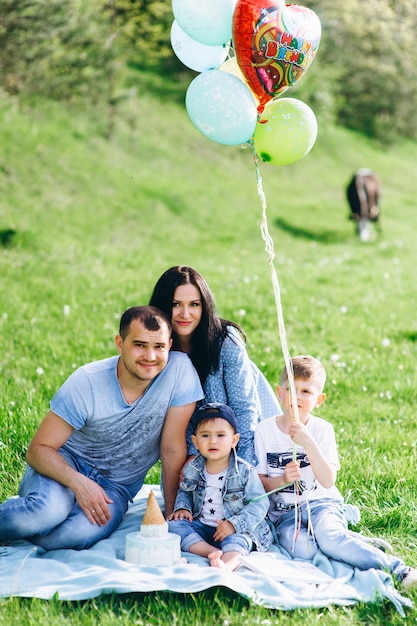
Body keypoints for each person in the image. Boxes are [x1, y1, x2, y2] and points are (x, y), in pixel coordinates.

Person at [0, 306, 204, 551]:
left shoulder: (179, 372)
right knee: (43, 513)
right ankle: (41, 510)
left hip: (115, 487)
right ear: (120, 343)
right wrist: (78, 483)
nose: (150, 356)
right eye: (139, 344)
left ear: (169, 345)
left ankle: (36, 524)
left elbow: (171, 447)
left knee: (72, 536)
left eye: (158, 346)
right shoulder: (86, 381)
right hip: (66, 465)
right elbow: (37, 450)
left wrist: (171, 518)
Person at [254, 355, 417, 589]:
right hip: (285, 514)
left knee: (329, 540)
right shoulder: (265, 430)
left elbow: (328, 481)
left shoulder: (322, 430)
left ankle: (399, 570)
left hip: (321, 503)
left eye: (306, 392)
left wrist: (308, 443)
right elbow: (260, 485)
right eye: (291, 389)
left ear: (319, 399)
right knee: (301, 550)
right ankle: (353, 542)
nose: (297, 397)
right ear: (279, 391)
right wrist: (282, 479)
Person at [149, 266, 281, 466]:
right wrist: (194, 459)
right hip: (193, 447)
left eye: (194, 304)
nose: (185, 314)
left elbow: (244, 410)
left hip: (243, 441)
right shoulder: (156, 350)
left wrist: (243, 470)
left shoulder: (225, 341)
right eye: (176, 304)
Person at [168, 402, 272, 571]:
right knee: (173, 526)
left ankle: (227, 563)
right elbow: (185, 491)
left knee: (240, 540)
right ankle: (211, 552)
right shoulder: (193, 468)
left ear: (234, 440)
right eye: (205, 436)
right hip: (202, 526)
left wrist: (234, 524)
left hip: (234, 528)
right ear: (195, 441)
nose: (213, 441)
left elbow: (260, 504)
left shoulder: (245, 471)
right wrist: (183, 508)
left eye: (221, 435)